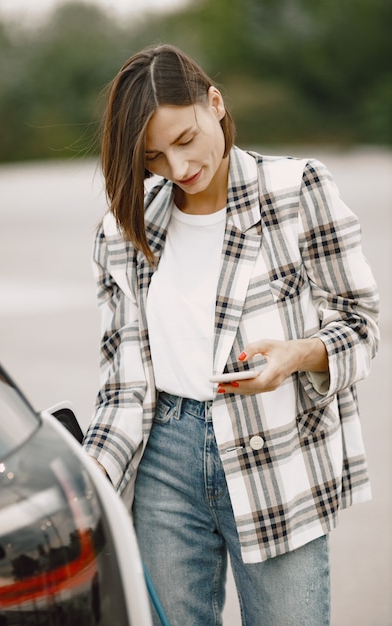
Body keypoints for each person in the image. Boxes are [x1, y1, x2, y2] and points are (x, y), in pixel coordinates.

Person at [83, 44, 380, 626]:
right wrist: (87, 481)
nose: (178, 166)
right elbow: (121, 388)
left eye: (186, 139)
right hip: (163, 461)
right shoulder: (125, 228)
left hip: (276, 456)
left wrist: (296, 355)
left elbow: (362, 324)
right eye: (155, 157)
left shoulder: (295, 191)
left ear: (214, 102)